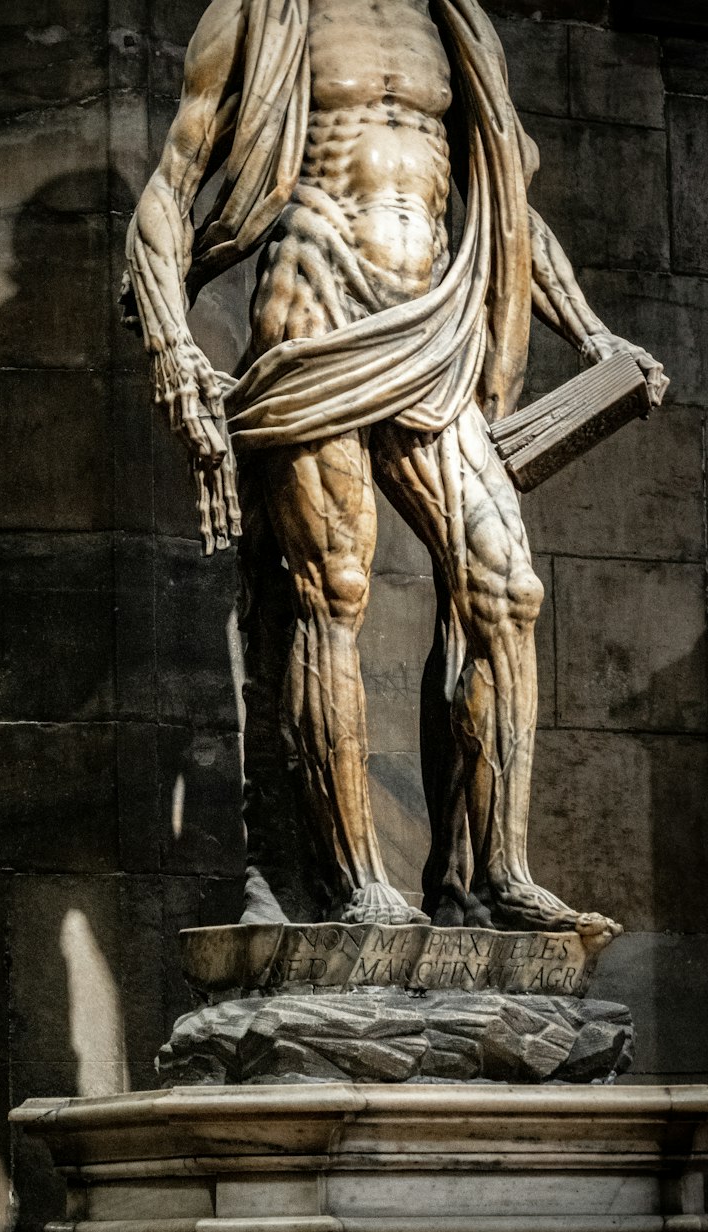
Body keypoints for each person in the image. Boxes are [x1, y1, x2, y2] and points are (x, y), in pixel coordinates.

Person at [122, 0, 667, 931]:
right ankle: (354, 884)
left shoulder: (455, 24)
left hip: (436, 322)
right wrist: (174, 350)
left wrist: (592, 332)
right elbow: (170, 189)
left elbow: (506, 211)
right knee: (333, 591)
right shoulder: (259, 13)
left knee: (506, 591)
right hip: (316, 300)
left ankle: (496, 876)